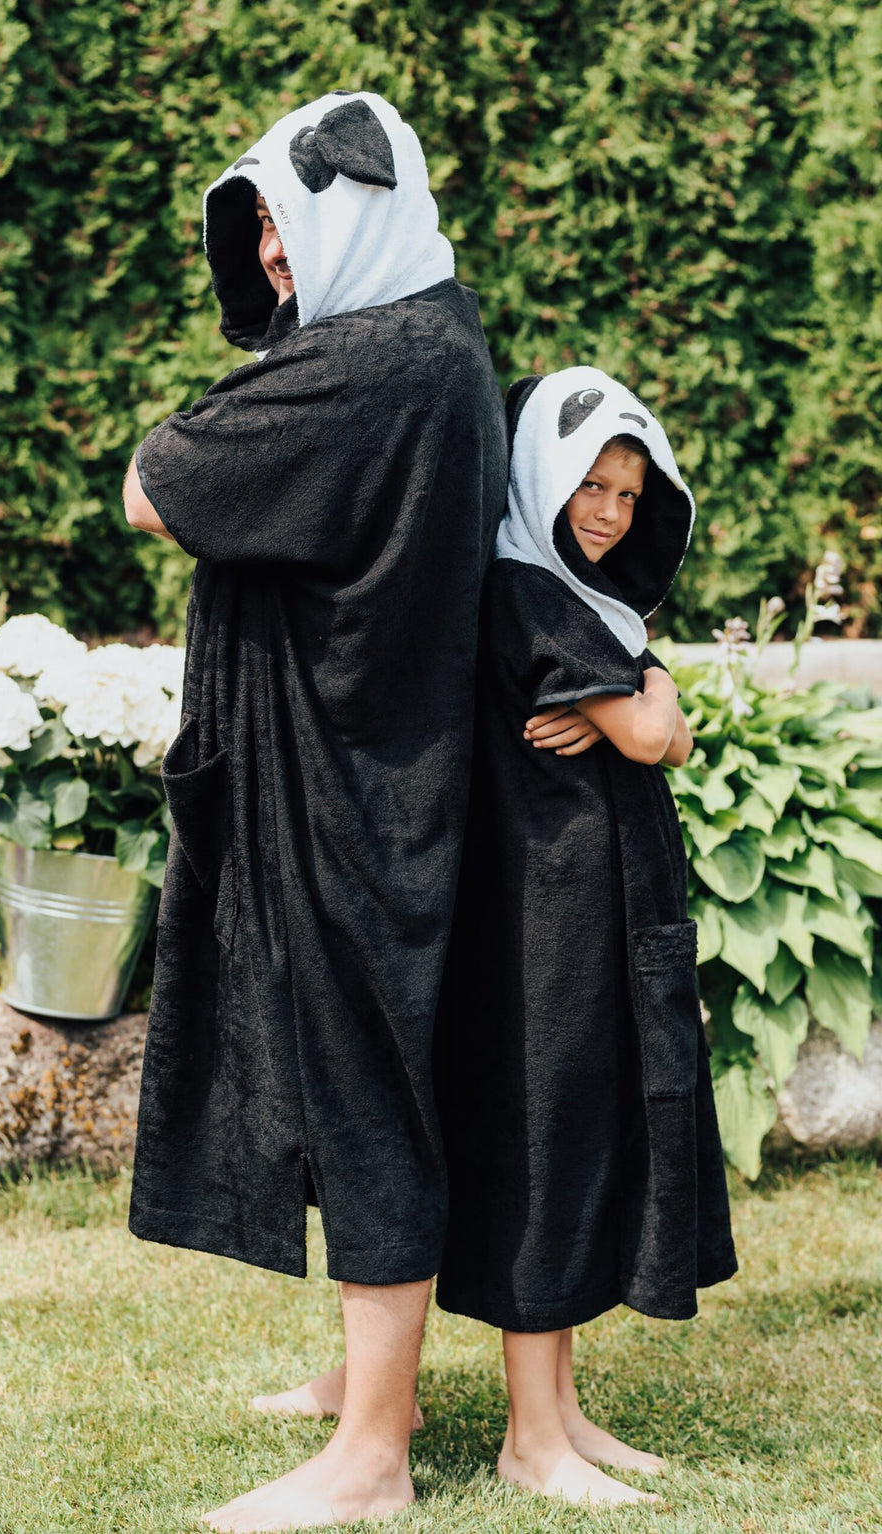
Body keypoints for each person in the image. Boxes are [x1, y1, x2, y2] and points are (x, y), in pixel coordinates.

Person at [122, 90, 507, 1532]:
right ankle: (365, 1390)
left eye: (287, 226)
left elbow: (154, 486)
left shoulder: (376, 360)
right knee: (349, 1078)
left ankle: (375, 1458)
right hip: (362, 765)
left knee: (362, 1088)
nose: (272, 263)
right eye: (261, 236)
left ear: (359, 215)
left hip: (355, 782)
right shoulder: (432, 335)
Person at [433, 366, 738, 1505]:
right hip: (546, 926)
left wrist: (641, 692)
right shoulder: (530, 589)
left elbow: (666, 732)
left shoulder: (584, 599)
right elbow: (661, 735)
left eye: (628, 488)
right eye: (588, 485)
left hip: (595, 912)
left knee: (580, 1134)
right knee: (548, 1148)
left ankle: (560, 1409)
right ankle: (529, 1442)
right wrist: (645, 699)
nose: (609, 511)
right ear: (538, 478)